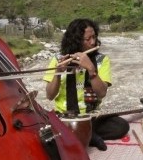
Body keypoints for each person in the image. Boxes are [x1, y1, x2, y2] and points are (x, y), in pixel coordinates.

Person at [43, 18, 129, 151]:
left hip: (90, 117)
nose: (93, 42)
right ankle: (89, 137)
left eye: (94, 37)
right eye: (87, 39)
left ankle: (83, 135)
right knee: (43, 133)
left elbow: (102, 93)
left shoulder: (101, 60)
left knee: (121, 126)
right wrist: (58, 73)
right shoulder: (57, 60)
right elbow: (49, 95)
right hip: (64, 117)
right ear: (76, 40)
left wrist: (91, 69)